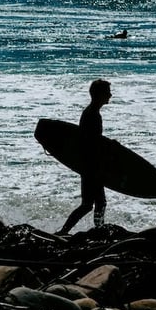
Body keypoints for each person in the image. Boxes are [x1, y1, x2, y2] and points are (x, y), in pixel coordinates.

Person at [59, 79, 112, 235]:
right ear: (100, 94)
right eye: (107, 92)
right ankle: (93, 230)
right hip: (91, 165)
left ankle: (96, 229)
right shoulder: (92, 115)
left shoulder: (92, 113)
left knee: (93, 204)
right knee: (92, 204)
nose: (110, 94)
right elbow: (91, 142)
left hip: (88, 164)